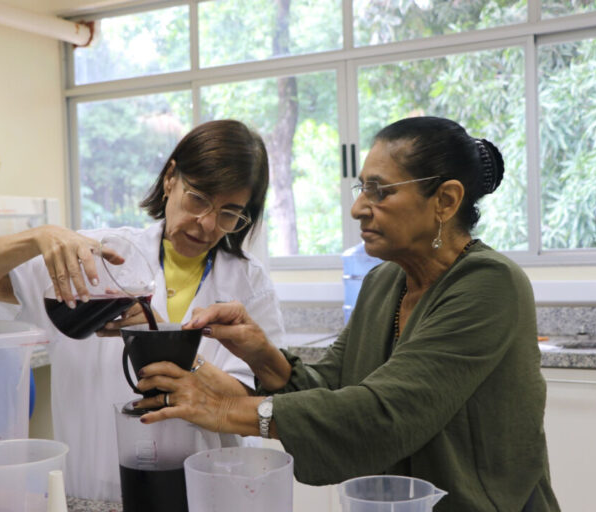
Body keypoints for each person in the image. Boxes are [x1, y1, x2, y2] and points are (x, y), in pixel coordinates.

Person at [135, 117, 560, 511]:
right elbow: (334, 386)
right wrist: (262, 355)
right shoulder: (383, 283)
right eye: (362, 190)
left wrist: (226, 409)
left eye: (381, 191)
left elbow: (385, 414)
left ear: (445, 201)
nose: (358, 208)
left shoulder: (489, 284)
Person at [0, 119, 285, 501]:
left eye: (228, 213)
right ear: (171, 177)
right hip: (92, 490)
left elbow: (253, 406)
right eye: (199, 198)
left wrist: (167, 342)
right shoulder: (98, 256)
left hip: (205, 494)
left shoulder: (249, 283)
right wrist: (39, 236)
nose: (207, 224)